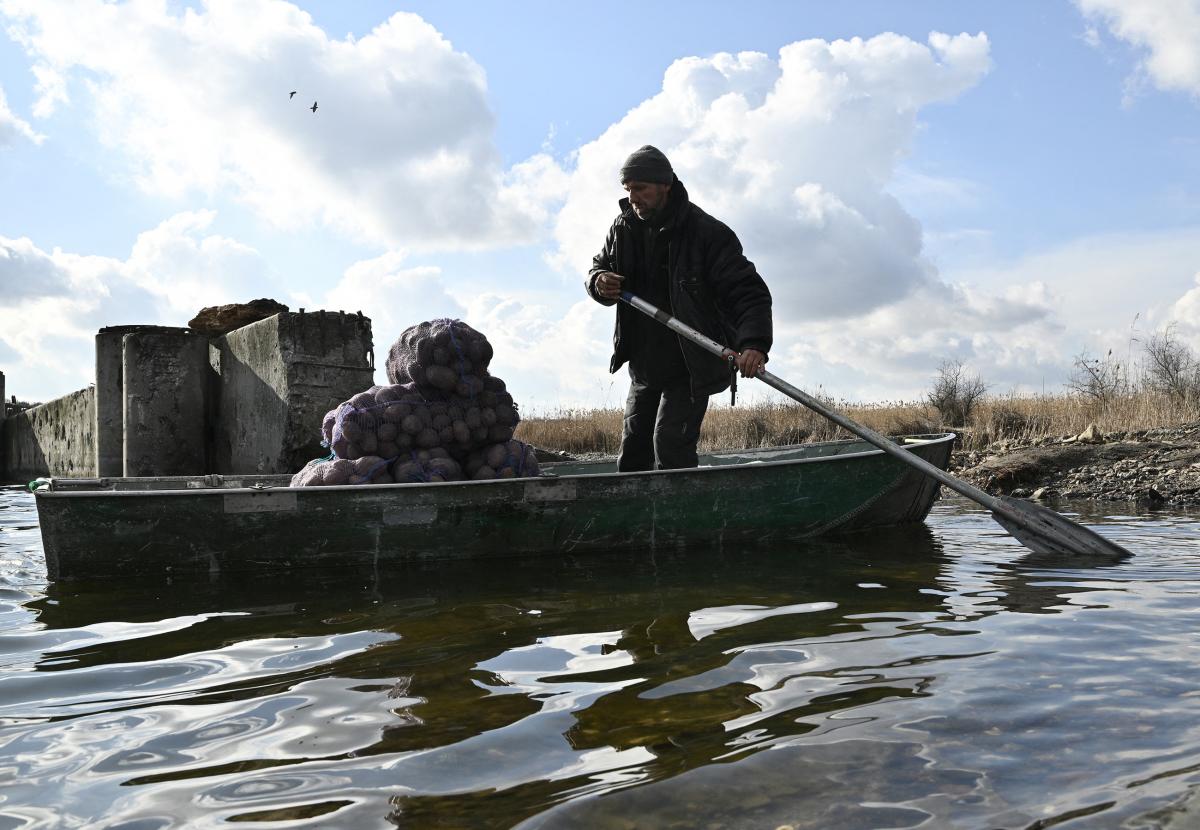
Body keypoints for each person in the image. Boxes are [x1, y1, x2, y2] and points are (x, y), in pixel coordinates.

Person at [586, 145, 773, 472]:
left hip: (691, 362)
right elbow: (597, 268)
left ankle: (678, 520)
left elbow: (747, 292)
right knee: (633, 450)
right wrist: (600, 282)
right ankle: (636, 517)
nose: (633, 198)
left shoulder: (707, 233)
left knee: (670, 443)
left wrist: (754, 344)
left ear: (665, 186)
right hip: (645, 364)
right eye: (628, 190)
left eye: (640, 189)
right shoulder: (622, 227)